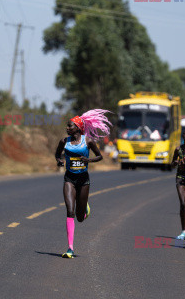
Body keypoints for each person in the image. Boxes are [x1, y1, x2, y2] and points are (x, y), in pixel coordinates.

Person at [55, 109, 109, 258]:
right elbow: (57, 154)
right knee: (70, 211)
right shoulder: (63, 142)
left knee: (80, 217)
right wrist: (59, 160)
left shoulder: (88, 141)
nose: (67, 128)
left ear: (78, 128)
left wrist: (88, 160)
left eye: (70, 126)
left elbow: (99, 157)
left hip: (83, 180)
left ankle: (85, 208)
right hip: (69, 179)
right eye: (67, 126)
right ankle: (70, 248)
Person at [171, 128, 185, 240]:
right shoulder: (178, 149)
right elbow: (172, 163)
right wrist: (175, 163)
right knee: (183, 204)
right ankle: (183, 231)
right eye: (184, 134)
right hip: (180, 178)